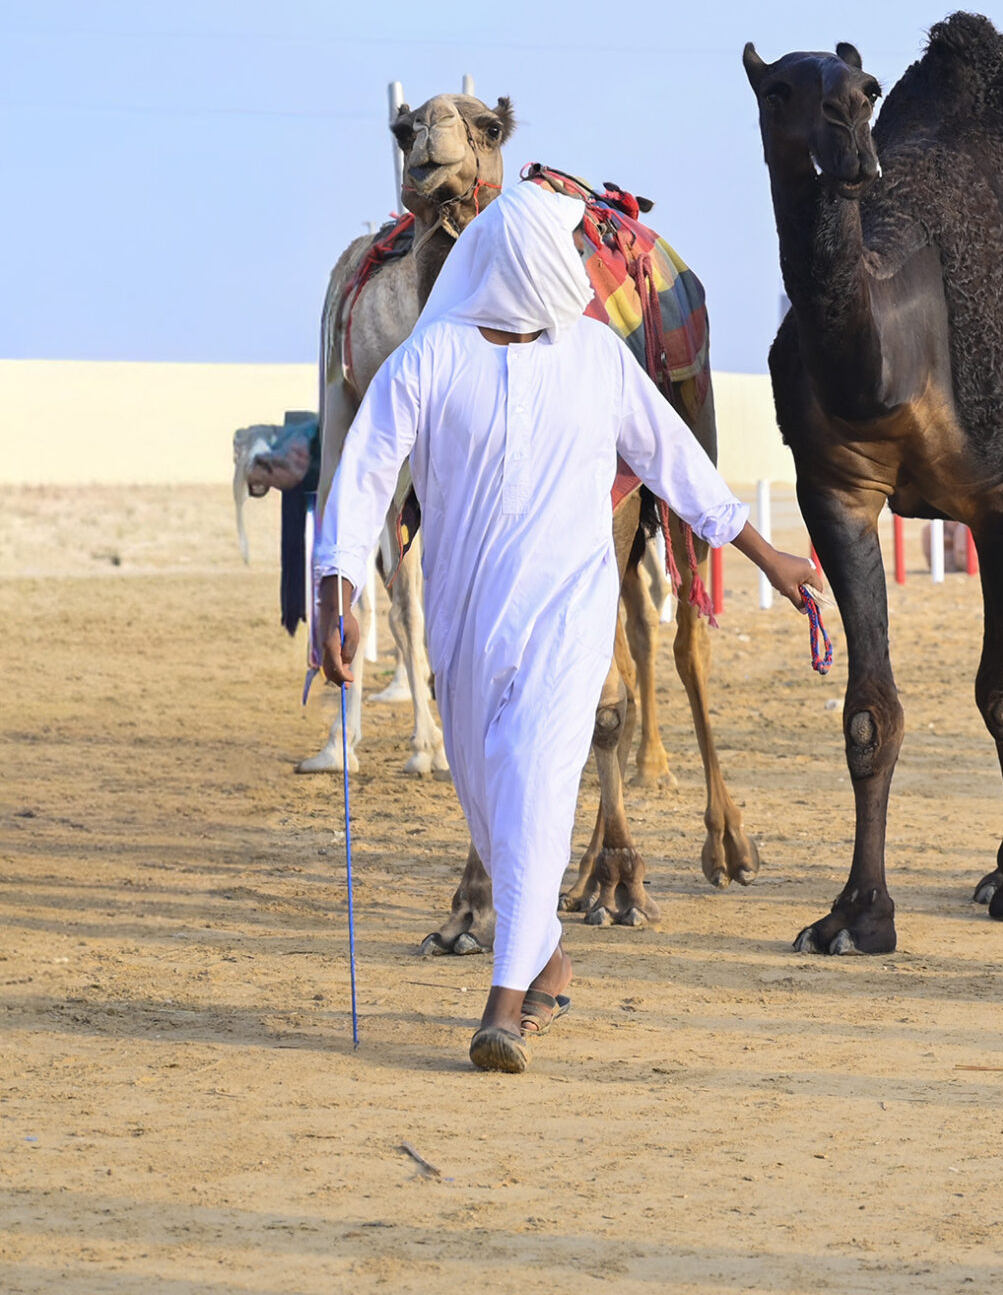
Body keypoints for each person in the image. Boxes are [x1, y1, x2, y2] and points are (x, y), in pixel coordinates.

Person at [311, 186, 819, 1073]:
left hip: (570, 618)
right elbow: (364, 475)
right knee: (487, 791)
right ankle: (548, 959)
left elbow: (677, 463)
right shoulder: (429, 359)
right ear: (525, 261)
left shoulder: (597, 357)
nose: (582, 271)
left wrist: (769, 556)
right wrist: (336, 587)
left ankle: (502, 1007)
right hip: (464, 626)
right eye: (568, 254)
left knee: (541, 783)